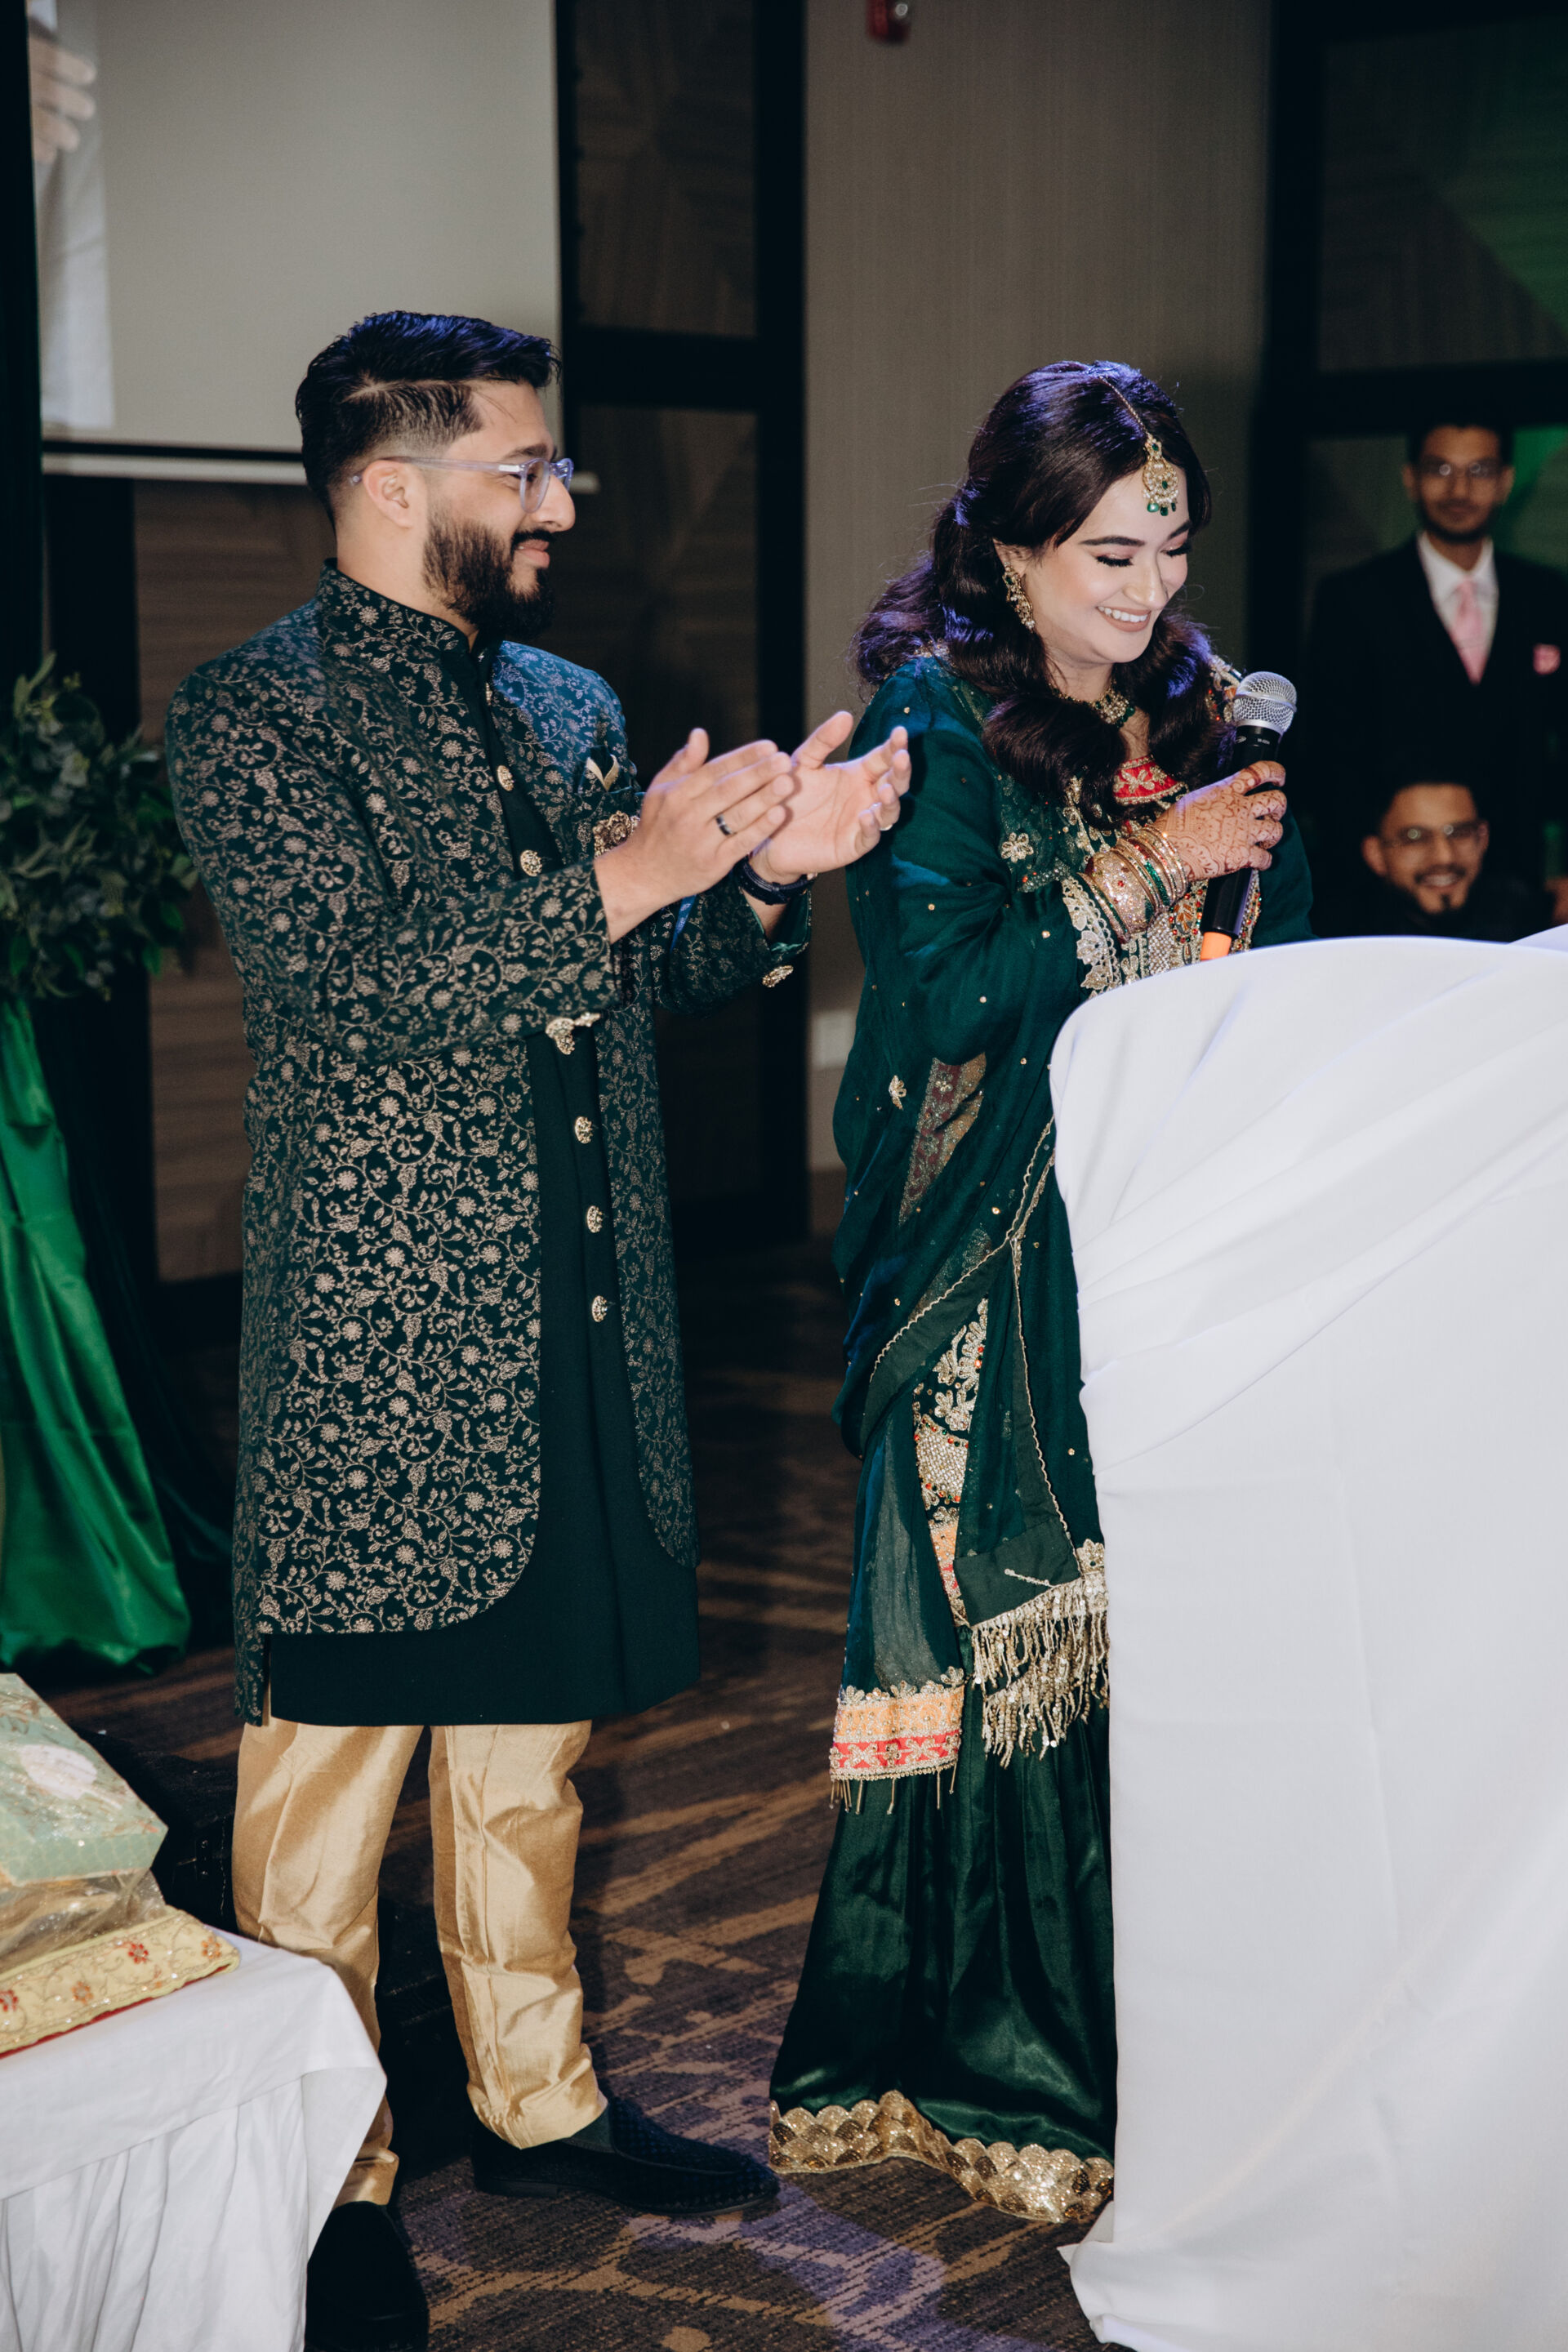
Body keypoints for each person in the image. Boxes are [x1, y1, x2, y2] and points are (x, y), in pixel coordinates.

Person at [163, 310, 910, 2352]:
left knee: (528, 1752)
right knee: (324, 1801)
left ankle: (540, 2094)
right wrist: (633, 870)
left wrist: (756, 884)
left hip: (578, 1306)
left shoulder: (567, 697)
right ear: (389, 487)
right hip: (385, 1341)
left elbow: (646, 967)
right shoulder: (254, 713)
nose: (561, 497)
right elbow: (346, 982)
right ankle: (321, 2168)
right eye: (526, 465)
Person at [768, 361, 1312, 2223]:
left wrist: (1236, 898)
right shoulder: (933, 721)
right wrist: (1152, 860)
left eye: (1171, 547)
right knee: (1025, 1647)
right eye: (1109, 554)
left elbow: (1265, 948)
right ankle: (1005, 2067)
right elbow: (943, 995)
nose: (1151, 589)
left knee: (1179, 1648)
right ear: (1010, 550)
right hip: (1000, 1273)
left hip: (1172, 1246)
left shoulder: (1196, 708)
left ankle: (1176, 2033)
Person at [1297, 418, 1568, 915]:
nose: (1459, 489)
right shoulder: (1353, 599)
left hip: (1519, 883)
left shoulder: (1548, 596)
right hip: (1384, 891)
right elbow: (1331, 755)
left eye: (1479, 470)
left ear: (1505, 480)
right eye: (1441, 469)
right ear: (1410, 478)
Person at [1316, 773, 1552, 942]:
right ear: (1375, 854)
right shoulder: (1341, 944)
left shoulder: (1535, 925)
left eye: (1459, 833)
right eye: (1415, 837)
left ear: (1483, 839)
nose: (1444, 857)